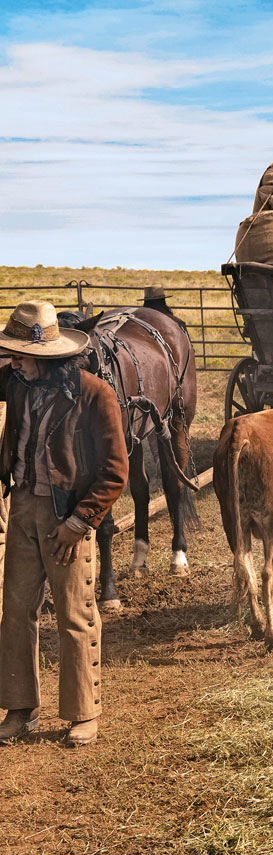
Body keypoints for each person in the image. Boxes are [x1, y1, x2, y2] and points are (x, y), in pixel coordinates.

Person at [0, 301, 129, 746]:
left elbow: (114, 470)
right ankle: (20, 708)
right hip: (22, 507)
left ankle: (83, 713)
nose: (13, 362)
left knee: (75, 614)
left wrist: (78, 522)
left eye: (20, 355)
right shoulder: (18, 385)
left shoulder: (94, 395)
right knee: (16, 611)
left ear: (48, 356)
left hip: (67, 517)